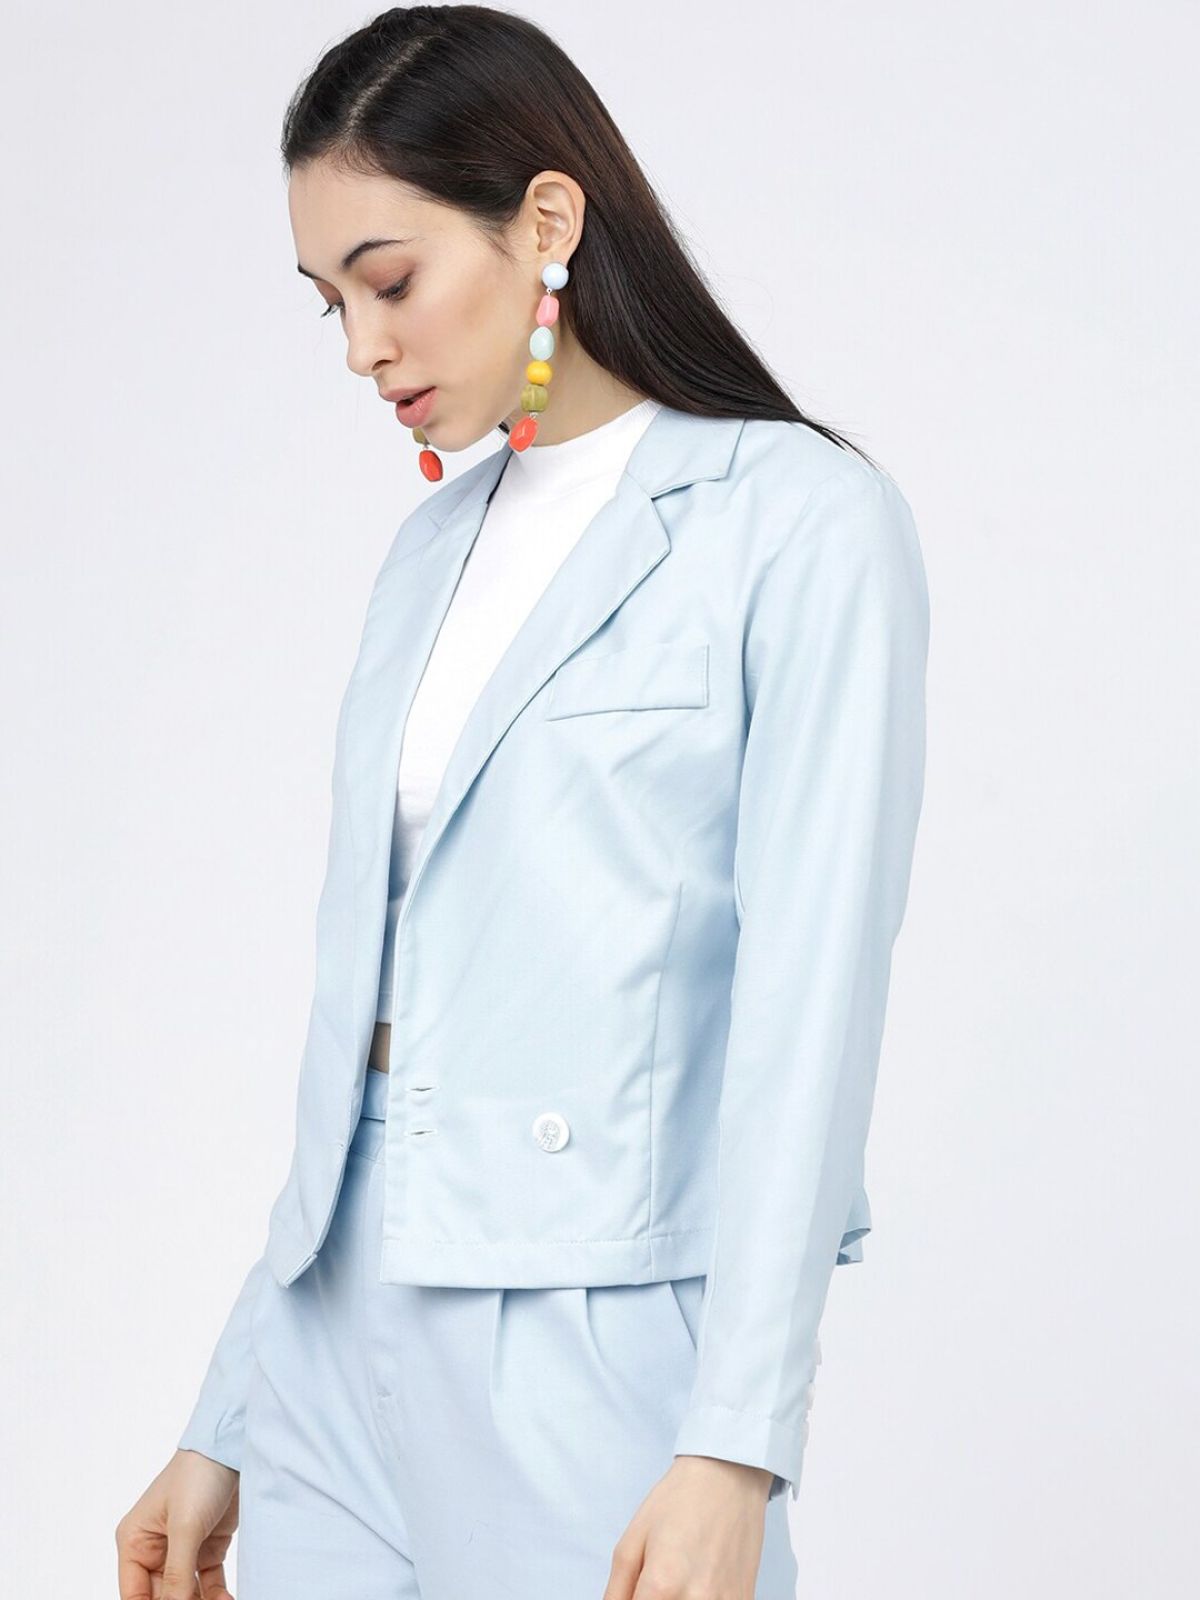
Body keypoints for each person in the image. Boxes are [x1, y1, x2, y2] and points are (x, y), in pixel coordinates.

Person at [115, 7, 929, 1598]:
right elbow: (370, 1024)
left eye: (389, 279)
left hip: (592, 1337)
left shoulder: (799, 525)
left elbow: (811, 1005)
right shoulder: (431, 551)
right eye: (329, 300)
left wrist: (738, 1437)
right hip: (331, 1351)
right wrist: (233, 1406)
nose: (360, 347)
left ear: (546, 219)